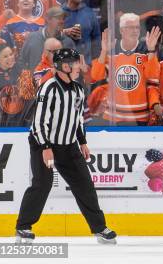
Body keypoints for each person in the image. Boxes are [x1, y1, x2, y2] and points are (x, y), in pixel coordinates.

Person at [15, 48, 117, 244]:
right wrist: (45, 147)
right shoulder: (48, 88)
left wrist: (83, 141)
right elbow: (38, 122)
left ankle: (99, 228)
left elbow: (77, 119)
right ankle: (23, 227)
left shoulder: (78, 89)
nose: (79, 66)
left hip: (69, 146)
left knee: (85, 185)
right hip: (43, 144)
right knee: (41, 185)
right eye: (75, 63)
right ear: (64, 66)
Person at [19, 6, 75, 71]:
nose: (62, 21)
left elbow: (73, 67)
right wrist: (29, 77)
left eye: (63, 19)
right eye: (58, 18)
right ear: (48, 19)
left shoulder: (68, 42)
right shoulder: (32, 37)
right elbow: (21, 61)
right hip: (35, 80)